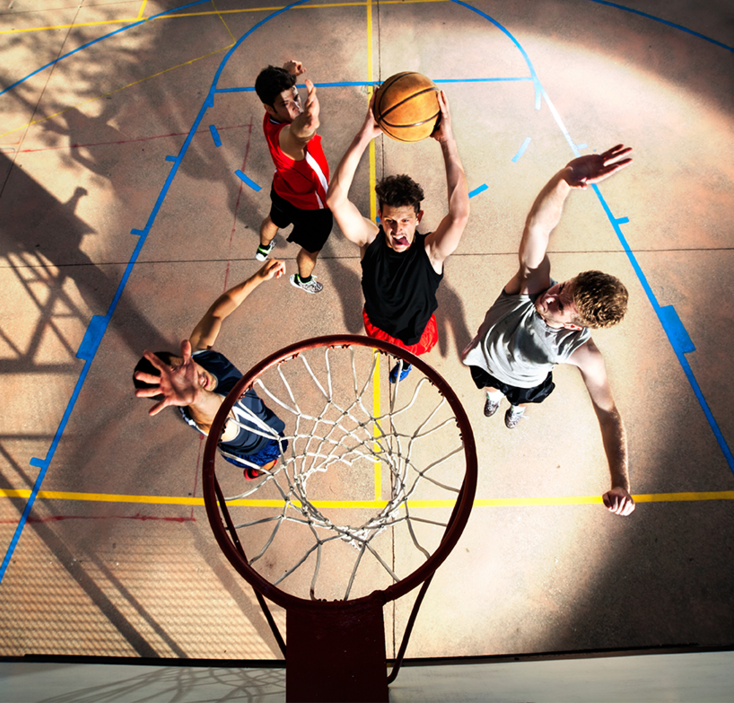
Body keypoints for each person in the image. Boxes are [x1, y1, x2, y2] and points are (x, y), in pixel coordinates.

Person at [461, 144, 636, 516]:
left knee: (521, 398)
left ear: (573, 325)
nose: (551, 294)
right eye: (563, 286)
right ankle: (494, 397)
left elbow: (608, 414)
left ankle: (515, 407)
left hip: (526, 381)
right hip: (487, 362)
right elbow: (538, 227)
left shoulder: (583, 353)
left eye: (560, 303)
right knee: (489, 387)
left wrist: (621, 481)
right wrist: (565, 180)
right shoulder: (531, 286)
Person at [325, 91, 469, 382]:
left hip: (416, 334)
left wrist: (447, 141)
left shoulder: (430, 252)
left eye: (405, 220)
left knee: (408, 355)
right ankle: (401, 361)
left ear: (419, 218)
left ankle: (406, 363)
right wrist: (364, 135)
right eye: (390, 220)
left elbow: (459, 216)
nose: (397, 229)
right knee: (387, 350)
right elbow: (335, 200)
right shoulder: (371, 240)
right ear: (380, 216)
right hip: (378, 325)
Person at [133, 259, 289, 479]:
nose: (195, 379)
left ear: (181, 357)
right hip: (257, 449)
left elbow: (217, 313)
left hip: (258, 411)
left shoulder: (199, 354)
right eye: (182, 384)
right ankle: (256, 469)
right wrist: (197, 397)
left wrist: (258, 278)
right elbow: (219, 415)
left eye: (180, 366)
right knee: (276, 453)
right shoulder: (209, 419)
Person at [253, 60, 333, 295]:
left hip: (282, 189)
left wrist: (288, 73)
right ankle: (302, 279)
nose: (296, 106)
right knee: (311, 250)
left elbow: (282, 96)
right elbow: (298, 133)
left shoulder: (271, 117)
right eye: (287, 104)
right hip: (312, 206)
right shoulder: (287, 137)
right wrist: (310, 118)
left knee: (273, 220)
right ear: (269, 108)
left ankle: (263, 249)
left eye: (296, 97)